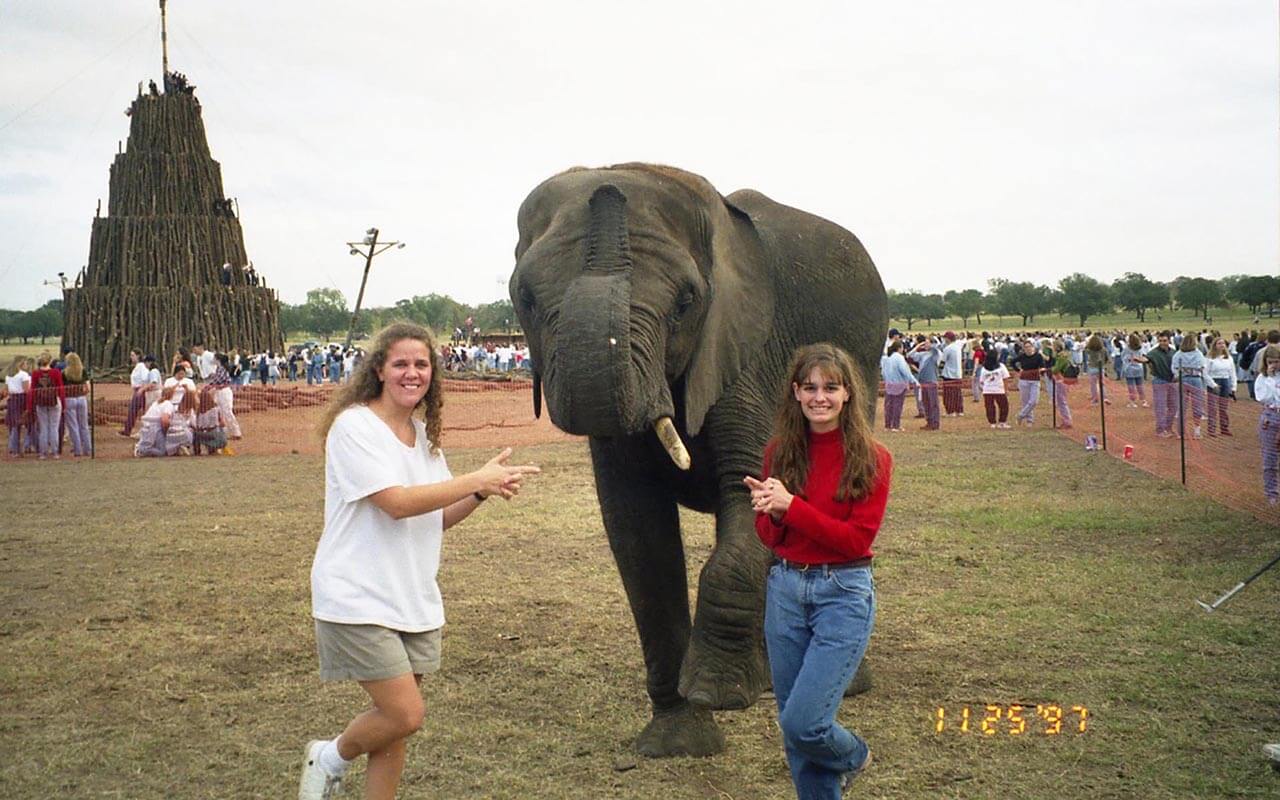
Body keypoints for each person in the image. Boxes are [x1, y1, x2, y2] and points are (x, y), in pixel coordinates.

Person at [298, 322, 540, 800]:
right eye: (402, 364)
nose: (413, 373)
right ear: (380, 371)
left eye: (422, 364)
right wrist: (476, 476)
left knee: (396, 729)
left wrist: (481, 490)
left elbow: (438, 516)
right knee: (404, 713)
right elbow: (398, 502)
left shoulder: (425, 435)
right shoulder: (355, 427)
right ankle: (329, 757)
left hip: (412, 597)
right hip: (357, 595)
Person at [743, 343, 890, 798]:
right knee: (793, 723)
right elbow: (770, 536)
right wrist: (769, 510)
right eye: (809, 388)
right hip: (785, 589)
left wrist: (792, 507)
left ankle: (854, 755)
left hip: (842, 592)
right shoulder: (779, 452)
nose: (819, 397)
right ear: (795, 393)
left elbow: (855, 541)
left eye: (831, 387)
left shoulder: (873, 457)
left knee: (804, 721)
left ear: (848, 394)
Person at [26, 354, 65, 460]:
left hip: (41, 402)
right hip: (54, 401)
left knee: (43, 428)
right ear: (49, 361)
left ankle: (43, 453)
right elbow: (60, 388)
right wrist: (63, 403)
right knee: (54, 427)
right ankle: (55, 452)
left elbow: (32, 390)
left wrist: (30, 405)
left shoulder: (35, 374)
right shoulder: (56, 372)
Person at [1255, 345, 1280, 507]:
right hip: (1270, 417)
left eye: (1277, 362)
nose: (1274, 365)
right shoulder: (1262, 378)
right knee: (1269, 459)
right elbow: (1262, 397)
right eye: (1270, 362)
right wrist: (1270, 379)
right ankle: (1271, 494)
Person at [1171, 334, 1207, 439]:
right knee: (1197, 406)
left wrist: (1179, 374)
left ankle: (1180, 432)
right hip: (1196, 380)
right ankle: (1197, 430)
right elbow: (1203, 367)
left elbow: (1174, 367)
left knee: (1182, 407)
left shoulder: (1178, 354)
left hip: (1183, 379)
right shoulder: (1199, 354)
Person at [1143, 332, 1177, 438]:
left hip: (1172, 381)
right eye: (1160, 341)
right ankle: (1160, 430)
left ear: (1169, 341)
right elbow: (1147, 359)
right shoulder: (1153, 353)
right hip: (1159, 381)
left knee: (1173, 406)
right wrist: (1141, 360)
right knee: (1160, 406)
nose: (1162, 343)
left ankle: (1168, 427)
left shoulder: (1174, 352)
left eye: (1165, 341)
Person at [879, 340, 917, 432]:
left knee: (889, 406)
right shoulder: (899, 358)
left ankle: (888, 425)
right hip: (899, 385)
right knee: (897, 406)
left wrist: (887, 380)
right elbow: (905, 371)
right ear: (900, 348)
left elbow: (883, 372)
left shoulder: (887, 358)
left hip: (889, 385)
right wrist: (914, 381)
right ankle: (896, 425)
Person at [1204, 338, 1237, 437]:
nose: (1222, 345)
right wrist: (1213, 384)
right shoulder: (1210, 358)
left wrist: (1233, 386)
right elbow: (1205, 373)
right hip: (1214, 381)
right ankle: (1211, 429)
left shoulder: (1229, 358)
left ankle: (1224, 428)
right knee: (1212, 407)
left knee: (1223, 407)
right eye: (1219, 343)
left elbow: (1232, 373)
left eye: (1223, 343)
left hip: (1225, 381)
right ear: (1214, 345)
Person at [908, 336, 942, 431]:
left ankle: (935, 423)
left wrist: (931, 343)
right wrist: (918, 346)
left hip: (931, 381)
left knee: (933, 403)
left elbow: (937, 347)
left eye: (927, 343)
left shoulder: (935, 354)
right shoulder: (922, 355)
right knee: (926, 403)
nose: (925, 345)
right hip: (923, 381)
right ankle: (929, 421)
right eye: (925, 343)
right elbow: (909, 355)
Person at [1009, 339, 1046, 426]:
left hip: (1035, 380)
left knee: (1034, 401)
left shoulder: (1038, 356)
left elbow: (1042, 366)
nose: (1028, 349)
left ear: (1033, 347)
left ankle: (1020, 415)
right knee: (1025, 401)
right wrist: (1018, 370)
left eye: (1029, 347)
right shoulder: (1022, 356)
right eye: (1026, 347)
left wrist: (1042, 371)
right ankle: (1030, 420)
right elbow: (1012, 362)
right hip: (1024, 380)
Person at [61, 352, 91, 457]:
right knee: (84, 425)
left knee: (73, 426)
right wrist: (82, 393)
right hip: (81, 398)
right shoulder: (82, 371)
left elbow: (62, 389)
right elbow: (88, 388)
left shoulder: (64, 373)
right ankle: (87, 449)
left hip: (69, 399)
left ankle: (77, 449)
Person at [134, 386, 176, 457]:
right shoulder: (168, 404)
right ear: (172, 395)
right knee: (162, 452)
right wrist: (165, 431)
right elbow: (165, 420)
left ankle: (144, 447)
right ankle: (142, 449)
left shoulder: (156, 403)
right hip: (156, 428)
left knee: (163, 448)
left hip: (147, 426)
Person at [5, 355, 32, 457]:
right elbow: (26, 390)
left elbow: (7, 390)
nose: (27, 365)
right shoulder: (24, 375)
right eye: (25, 363)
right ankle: (16, 449)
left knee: (13, 425)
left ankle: (13, 448)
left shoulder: (9, 375)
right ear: (21, 364)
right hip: (21, 400)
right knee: (18, 424)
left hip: (12, 399)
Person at [119, 349, 150, 437]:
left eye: (133, 355)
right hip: (137, 390)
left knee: (136, 410)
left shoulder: (141, 367)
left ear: (138, 356)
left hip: (140, 390)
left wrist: (142, 389)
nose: (131, 357)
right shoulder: (137, 367)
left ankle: (128, 430)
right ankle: (127, 430)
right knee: (134, 410)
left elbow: (145, 378)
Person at [978, 349, 1011, 428]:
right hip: (999, 389)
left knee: (990, 406)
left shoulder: (984, 368)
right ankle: (1001, 422)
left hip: (988, 390)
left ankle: (992, 422)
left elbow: (981, 381)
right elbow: (1005, 378)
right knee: (1003, 406)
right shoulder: (1001, 366)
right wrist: (1006, 389)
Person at [1048, 340, 1074, 429]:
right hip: (1064, 379)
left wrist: (1050, 369)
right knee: (1061, 401)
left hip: (1061, 379)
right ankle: (1066, 420)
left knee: (1061, 402)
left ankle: (1067, 421)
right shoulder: (1064, 356)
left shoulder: (1061, 357)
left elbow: (1056, 369)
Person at [939, 331, 965, 416]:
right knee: (957, 393)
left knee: (948, 394)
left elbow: (942, 362)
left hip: (949, 374)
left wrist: (938, 371)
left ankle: (950, 411)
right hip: (958, 374)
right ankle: (959, 410)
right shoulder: (958, 347)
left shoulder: (948, 349)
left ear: (947, 339)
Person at [1121, 333, 1148, 408]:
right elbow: (1143, 355)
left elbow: (1123, 357)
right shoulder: (1140, 347)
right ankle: (1144, 401)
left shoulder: (1127, 349)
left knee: (1131, 386)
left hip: (1129, 369)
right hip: (1139, 368)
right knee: (1140, 385)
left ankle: (1132, 402)